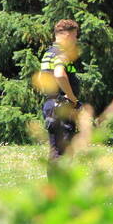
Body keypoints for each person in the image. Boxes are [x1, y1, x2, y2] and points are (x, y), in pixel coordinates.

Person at [37, 19, 82, 176]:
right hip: (62, 106)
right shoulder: (61, 53)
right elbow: (59, 74)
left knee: (55, 151)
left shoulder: (49, 53)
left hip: (51, 105)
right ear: (68, 35)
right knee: (63, 154)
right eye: (75, 35)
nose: (76, 39)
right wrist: (72, 98)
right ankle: (61, 194)